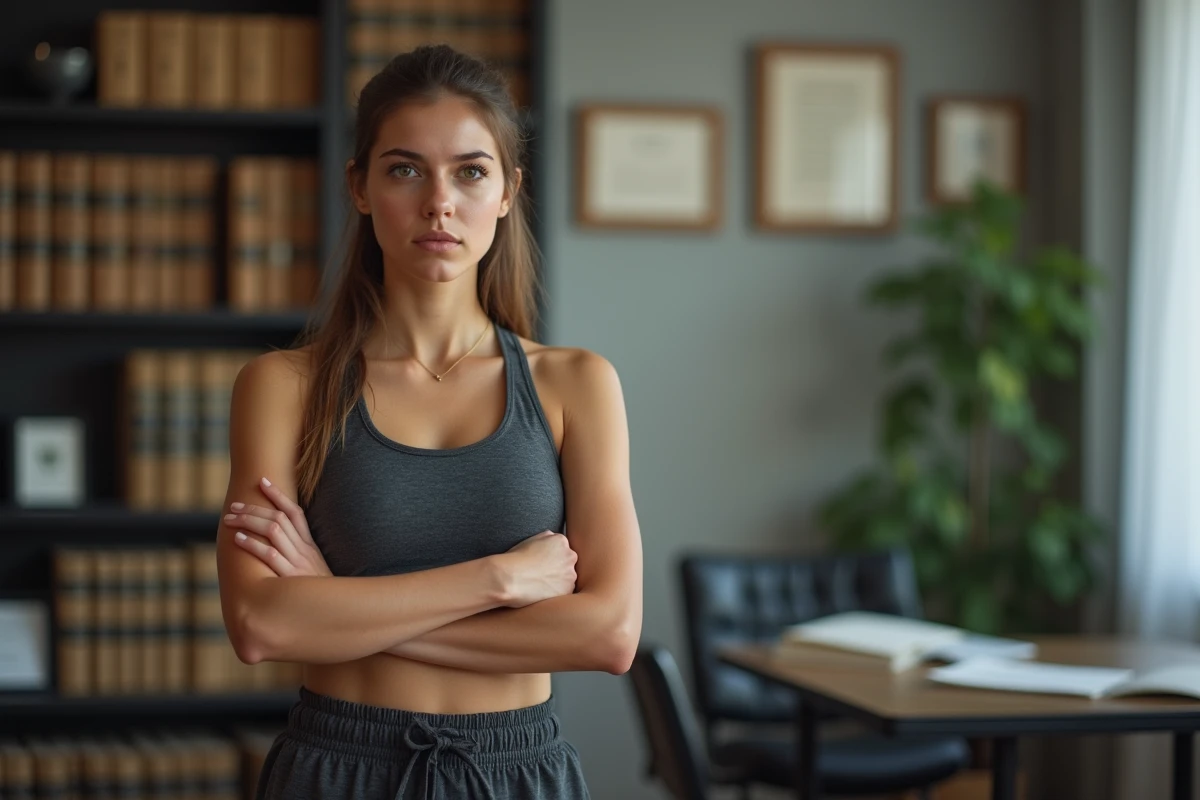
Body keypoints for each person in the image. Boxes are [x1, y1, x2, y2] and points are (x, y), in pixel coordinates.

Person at [215, 44, 642, 799]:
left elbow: (608, 635)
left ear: (509, 191)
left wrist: (338, 605)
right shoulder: (282, 386)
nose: (439, 202)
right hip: (336, 769)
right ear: (361, 187)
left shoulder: (577, 384)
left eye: (470, 171)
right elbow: (262, 627)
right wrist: (500, 579)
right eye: (406, 169)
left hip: (520, 771)